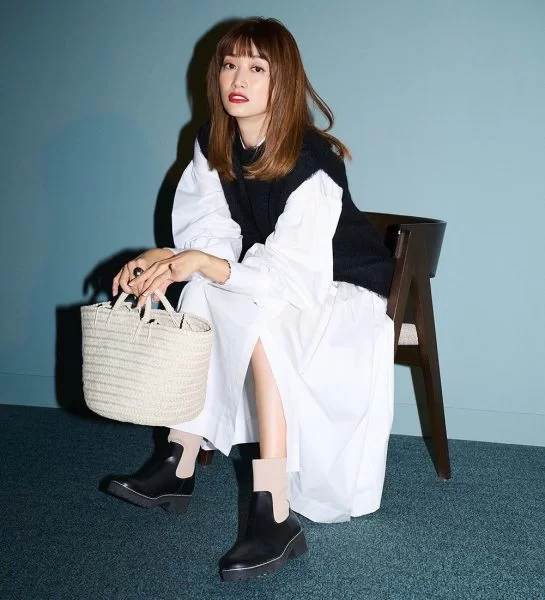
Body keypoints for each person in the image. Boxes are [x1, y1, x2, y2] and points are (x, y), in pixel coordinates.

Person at [107, 17, 394, 582]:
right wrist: (168, 258)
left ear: (282, 80)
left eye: (257, 68)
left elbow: (292, 273)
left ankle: (273, 511)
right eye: (229, 65)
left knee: (254, 314)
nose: (238, 79)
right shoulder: (214, 143)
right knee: (206, 288)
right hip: (278, 280)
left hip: (344, 289)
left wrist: (199, 263)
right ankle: (179, 459)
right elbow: (214, 236)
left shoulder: (312, 158)